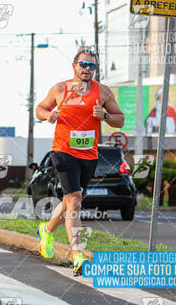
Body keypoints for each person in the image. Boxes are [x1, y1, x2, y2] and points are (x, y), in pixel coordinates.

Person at [35, 48, 124, 276]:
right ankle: (77, 253)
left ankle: (46, 229)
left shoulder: (102, 92)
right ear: (74, 66)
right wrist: (48, 116)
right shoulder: (60, 89)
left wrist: (104, 116)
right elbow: (40, 109)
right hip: (63, 151)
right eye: (83, 65)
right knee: (75, 201)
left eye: (91, 66)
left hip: (89, 154)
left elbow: (120, 119)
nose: (87, 69)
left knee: (69, 200)